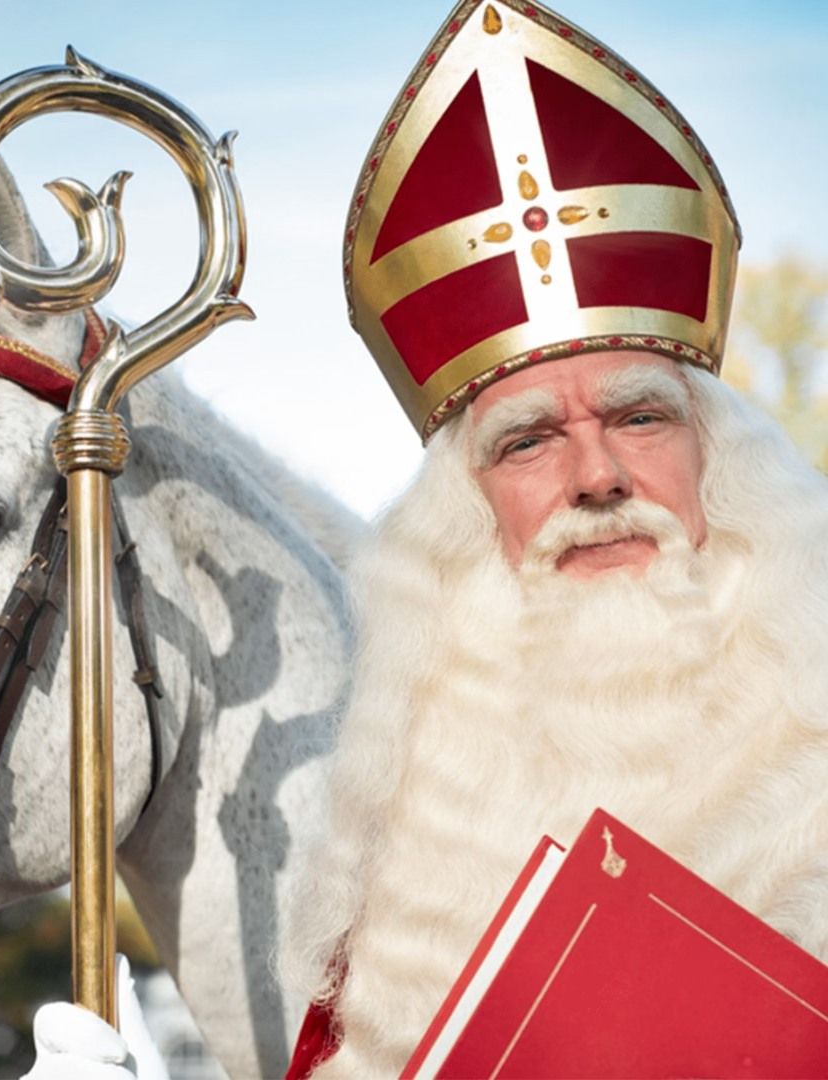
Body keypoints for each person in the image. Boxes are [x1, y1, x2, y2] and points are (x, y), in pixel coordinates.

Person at [278, 0, 828, 1076]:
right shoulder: (394, 900)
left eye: (639, 416)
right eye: (528, 442)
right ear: (461, 524)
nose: (598, 477)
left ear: (726, 463)